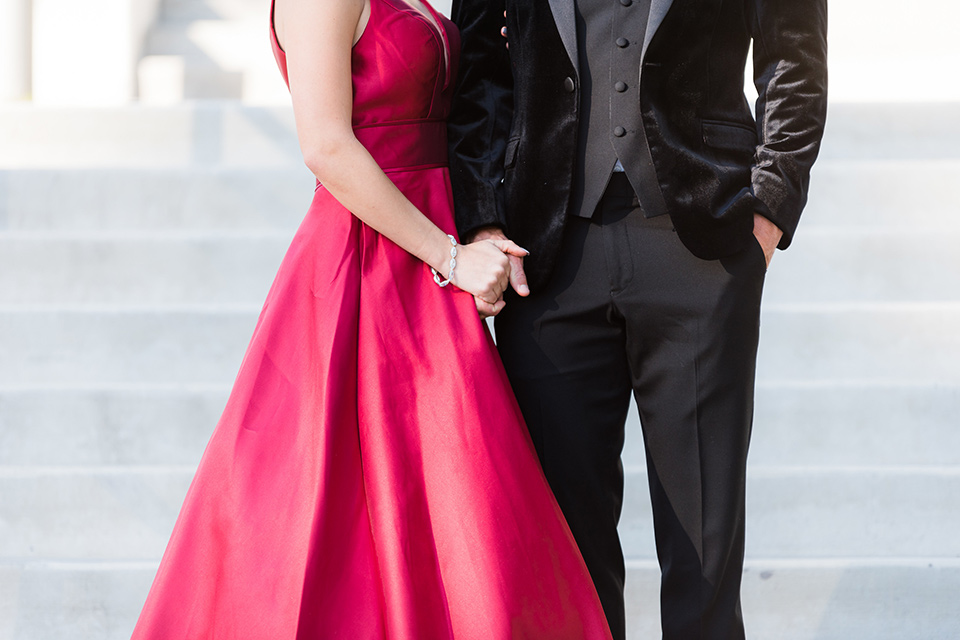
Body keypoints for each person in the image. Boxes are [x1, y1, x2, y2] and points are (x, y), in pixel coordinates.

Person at [129, 0, 614, 637]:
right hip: (371, 258)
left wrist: (474, 233)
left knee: (459, 496)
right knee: (369, 497)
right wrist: (449, 256)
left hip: (430, 248)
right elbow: (326, 145)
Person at [447, 1, 828, 639]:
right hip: (545, 256)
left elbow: (794, 58)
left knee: (705, 546)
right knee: (568, 548)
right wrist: (483, 217)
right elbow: (478, 70)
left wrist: (768, 209)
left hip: (700, 250)